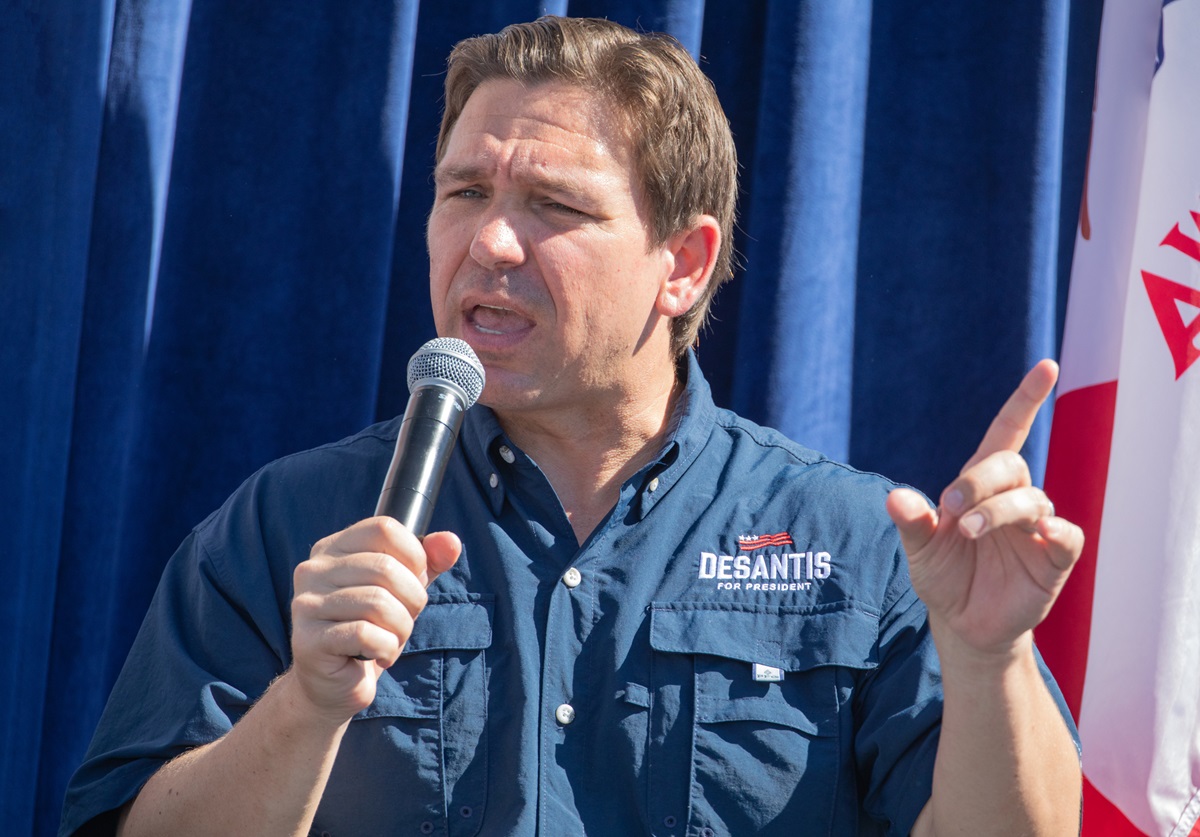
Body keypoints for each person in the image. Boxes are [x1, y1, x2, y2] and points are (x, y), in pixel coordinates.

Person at [61, 15, 1083, 836]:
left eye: (553, 205)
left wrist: (990, 658)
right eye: (463, 191)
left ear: (682, 263)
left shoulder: (857, 546)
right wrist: (307, 704)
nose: (489, 239)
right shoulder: (295, 526)